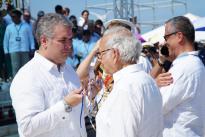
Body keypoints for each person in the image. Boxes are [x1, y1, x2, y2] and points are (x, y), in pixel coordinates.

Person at [10, 13, 87, 137]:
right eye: (63, 40)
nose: (69, 46)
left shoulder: (69, 71)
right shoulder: (27, 76)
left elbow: (77, 113)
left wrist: (91, 98)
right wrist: (65, 105)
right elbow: (28, 128)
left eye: (70, 39)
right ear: (44, 41)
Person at [95, 26, 163, 137]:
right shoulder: (147, 80)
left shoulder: (125, 88)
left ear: (115, 54)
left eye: (101, 54)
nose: (100, 60)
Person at [159, 16, 205, 137]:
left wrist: (153, 85)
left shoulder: (183, 67)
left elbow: (158, 105)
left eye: (166, 37)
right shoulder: (194, 62)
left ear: (179, 36)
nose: (165, 42)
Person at [3, 9, 35, 77]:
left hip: (25, 50)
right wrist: (6, 51)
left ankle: (26, 83)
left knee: (25, 68)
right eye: (12, 17)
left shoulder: (26, 26)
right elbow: (6, 40)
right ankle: (16, 85)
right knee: (15, 68)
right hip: (13, 50)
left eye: (14, 16)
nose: (12, 18)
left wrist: (32, 48)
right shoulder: (9, 27)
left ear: (19, 16)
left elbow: (31, 38)